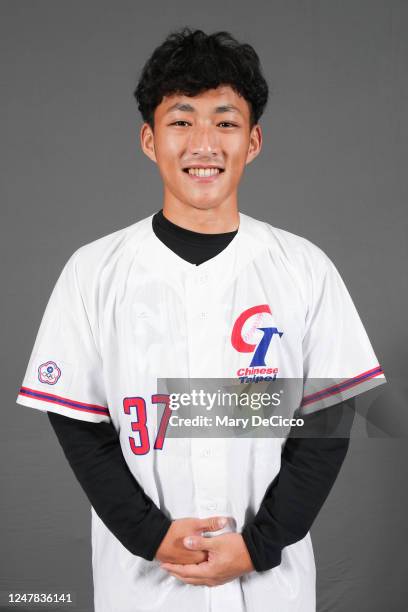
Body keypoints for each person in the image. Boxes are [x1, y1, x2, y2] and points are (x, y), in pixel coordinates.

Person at [16, 28, 386, 612]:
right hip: (142, 584)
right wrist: (150, 536)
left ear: (254, 140)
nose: (204, 143)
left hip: (271, 586)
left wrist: (261, 545)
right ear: (149, 138)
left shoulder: (303, 268)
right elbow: (80, 425)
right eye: (182, 121)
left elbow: (327, 421)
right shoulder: (93, 271)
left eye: (226, 121)